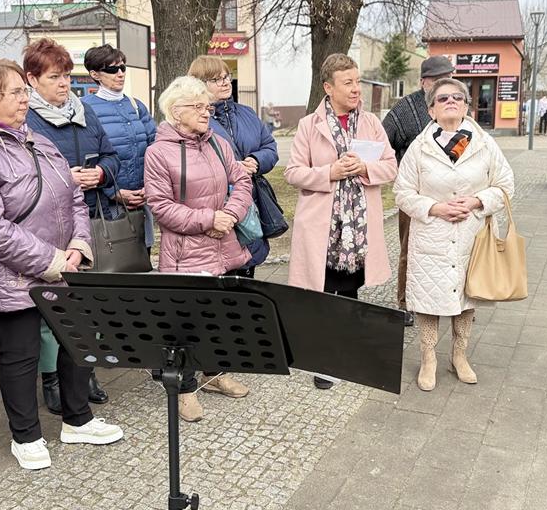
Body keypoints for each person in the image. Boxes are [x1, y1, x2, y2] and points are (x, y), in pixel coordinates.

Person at [0, 58, 123, 471]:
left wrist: (79, 245)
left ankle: (77, 420)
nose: (26, 99)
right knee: (20, 355)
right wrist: (50, 260)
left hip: (67, 264)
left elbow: (74, 197)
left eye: (25, 91)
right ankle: (25, 435)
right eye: (16, 92)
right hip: (13, 272)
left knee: (79, 342)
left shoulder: (37, 140)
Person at [392, 78, 515, 391]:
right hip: (431, 234)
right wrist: (434, 208)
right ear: (431, 110)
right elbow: (402, 193)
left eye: (457, 97)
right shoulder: (419, 149)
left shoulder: (485, 144)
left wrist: (477, 201)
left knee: (466, 295)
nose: (450, 101)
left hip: (472, 235)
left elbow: (505, 186)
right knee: (429, 299)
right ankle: (429, 358)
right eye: (442, 98)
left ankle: (459, 356)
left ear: (466, 106)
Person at [143, 76, 253, 422]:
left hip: (223, 244)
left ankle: (216, 375)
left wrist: (230, 215)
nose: (207, 111)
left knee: (220, 317)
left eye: (208, 105)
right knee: (185, 325)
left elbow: (243, 181)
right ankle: (186, 390)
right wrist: (209, 219)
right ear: (176, 112)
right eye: (199, 106)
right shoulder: (158, 153)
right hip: (186, 252)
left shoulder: (218, 144)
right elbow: (161, 207)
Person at [284, 53, 397, 390]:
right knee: (324, 292)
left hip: (358, 226)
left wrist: (365, 169)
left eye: (357, 81)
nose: (356, 89)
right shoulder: (309, 125)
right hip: (324, 224)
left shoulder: (372, 123)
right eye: (348, 83)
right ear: (328, 87)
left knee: (349, 289)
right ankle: (326, 358)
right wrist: (329, 173)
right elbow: (292, 173)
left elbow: (391, 166)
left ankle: (347, 350)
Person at [22, 38, 117, 413]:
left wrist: (100, 173)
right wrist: (65, 178)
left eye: (66, 76)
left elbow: (111, 154)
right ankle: (51, 377)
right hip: (46, 226)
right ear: (32, 79)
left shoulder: (83, 111)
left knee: (87, 301)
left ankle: (83, 369)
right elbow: (21, 174)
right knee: (52, 304)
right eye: (54, 77)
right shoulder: (26, 117)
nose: (64, 84)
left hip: (88, 216)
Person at [185, 55, 277, 400]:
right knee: (212, 290)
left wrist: (256, 161)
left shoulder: (246, 114)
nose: (226, 83)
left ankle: (236, 349)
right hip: (209, 215)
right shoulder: (194, 126)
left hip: (247, 205)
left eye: (227, 78)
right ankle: (205, 367)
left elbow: (270, 146)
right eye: (216, 79)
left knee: (244, 276)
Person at [381, 55, 455, 327]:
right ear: (424, 82)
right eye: (436, 80)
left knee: (449, 250)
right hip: (415, 196)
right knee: (409, 249)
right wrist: (398, 172)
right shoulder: (404, 110)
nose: (442, 86)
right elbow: (381, 142)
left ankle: (445, 300)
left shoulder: (455, 106)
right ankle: (405, 303)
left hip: (451, 196)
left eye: (447, 78)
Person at [81, 44, 157, 258]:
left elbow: (155, 149)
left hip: (141, 201)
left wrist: (149, 188)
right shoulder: (85, 108)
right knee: (117, 262)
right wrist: (113, 193)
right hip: (107, 204)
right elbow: (86, 159)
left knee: (143, 260)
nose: (120, 73)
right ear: (95, 74)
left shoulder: (135, 105)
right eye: (112, 69)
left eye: (123, 68)